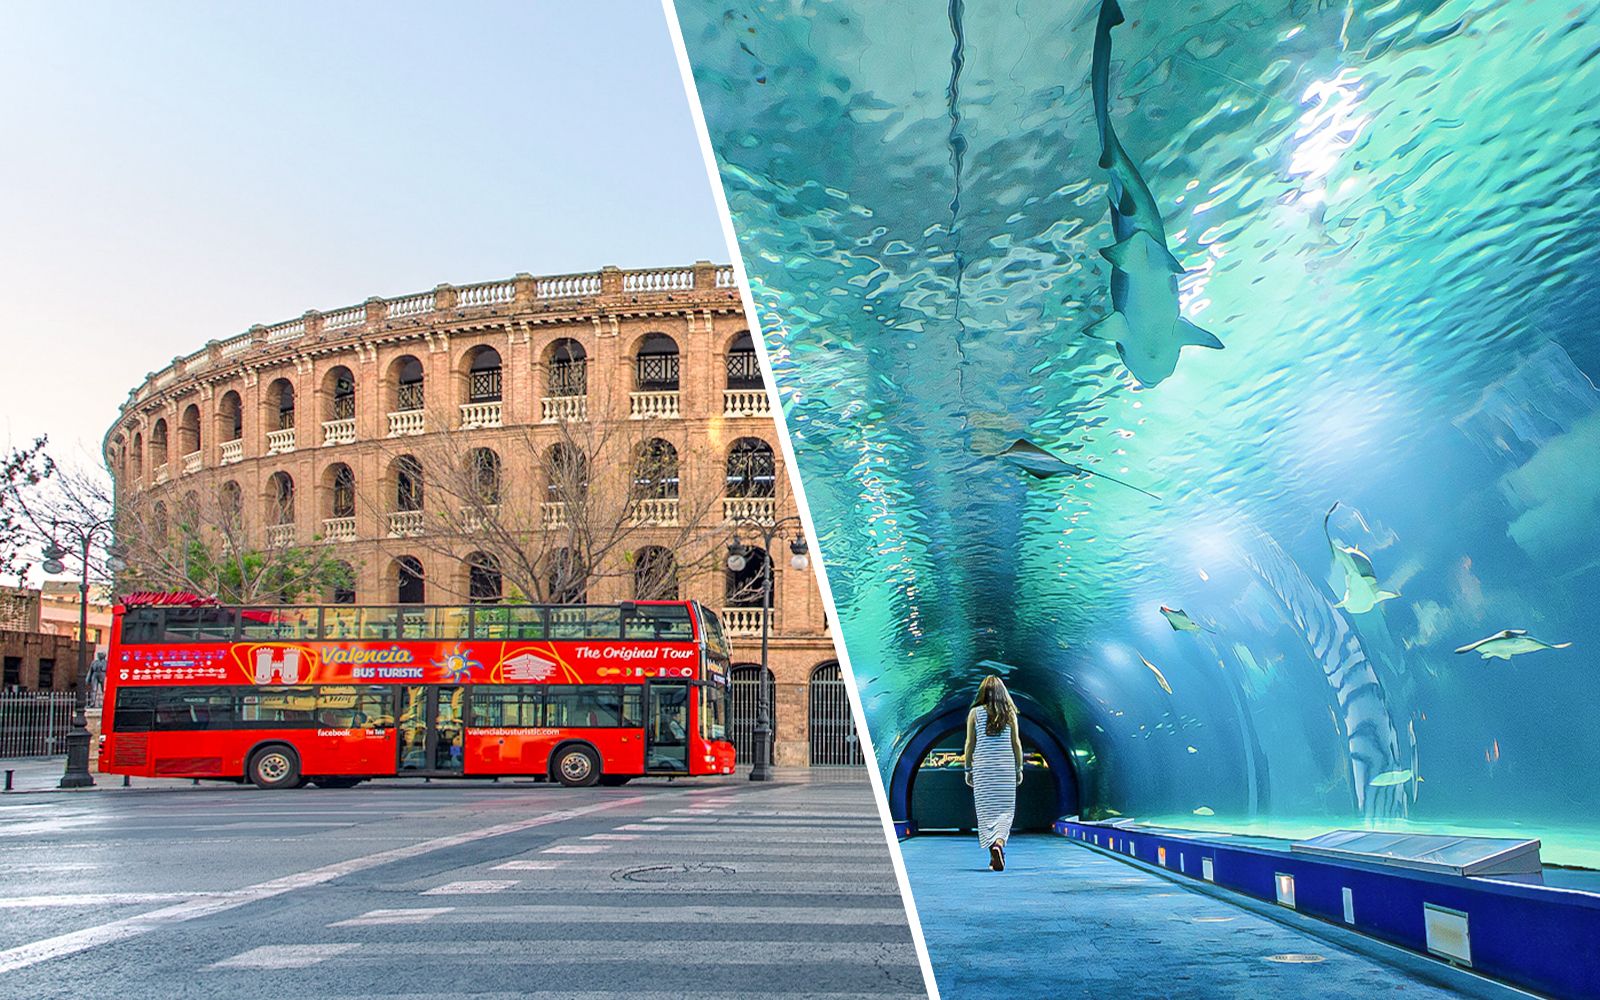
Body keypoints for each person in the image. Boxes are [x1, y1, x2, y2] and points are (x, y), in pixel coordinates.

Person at [964, 674, 1024, 871]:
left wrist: (968, 769)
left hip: (983, 768)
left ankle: (993, 853)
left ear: (983, 692)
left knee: (986, 812)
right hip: (1005, 768)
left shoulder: (975, 713)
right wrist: (1019, 768)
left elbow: (970, 744)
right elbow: (1016, 743)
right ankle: (999, 844)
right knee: (1006, 812)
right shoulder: (1010, 713)